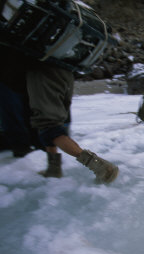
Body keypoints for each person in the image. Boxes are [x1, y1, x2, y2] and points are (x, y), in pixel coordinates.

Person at [0, 45, 119, 183]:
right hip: (63, 71)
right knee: (49, 123)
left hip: (43, 74)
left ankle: (102, 167)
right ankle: (53, 168)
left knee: (49, 127)